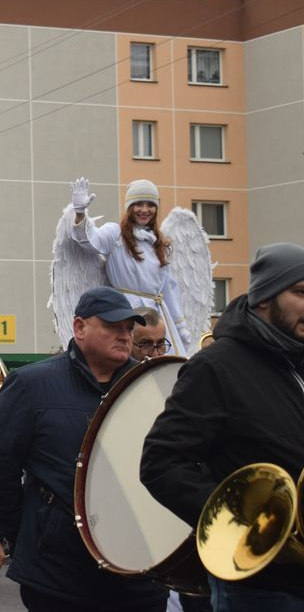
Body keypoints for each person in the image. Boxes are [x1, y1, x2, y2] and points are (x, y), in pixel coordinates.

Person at [0, 287, 167, 611]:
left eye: (128, 329)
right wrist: (30, 531)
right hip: (59, 576)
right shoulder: (31, 384)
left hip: (139, 574)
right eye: (112, 327)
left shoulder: (148, 383)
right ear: (79, 327)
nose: (124, 336)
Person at [142, 243, 304, 610]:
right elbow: (161, 463)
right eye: (300, 292)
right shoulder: (215, 367)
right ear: (264, 298)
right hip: (263, 585)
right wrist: (247, 524)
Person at [69, 177, 193, 354]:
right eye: (138, 204)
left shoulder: (159, 243)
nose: (144, 210)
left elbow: (168, 289)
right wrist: (80, 213)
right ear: (129, 207)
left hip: (157, 316)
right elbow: (89, 242)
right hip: (126, 311)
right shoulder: (115, 234)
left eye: (150, 205)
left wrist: (179, 326)